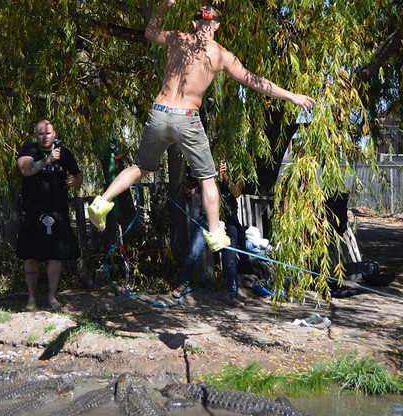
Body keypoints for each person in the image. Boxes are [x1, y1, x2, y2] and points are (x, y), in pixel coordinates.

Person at [87, 1, 315, 252]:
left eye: (206, 23)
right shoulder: (222, 55)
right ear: (212, 25)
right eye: (207, 23)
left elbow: (150, 33)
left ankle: (101, 202)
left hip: (159, 113)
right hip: (187, 117)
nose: (206, 26)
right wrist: (293, 96)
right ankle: (216, 235)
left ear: (201, 24)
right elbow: (256, 82)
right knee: (207, 179)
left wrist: (163, 7)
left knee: (141, 167)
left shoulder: (177, 38)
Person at [16, 119, 83, 310]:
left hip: (57, 212)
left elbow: (79, 177)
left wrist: (74, 179)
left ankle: (52, 298)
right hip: (32, 212)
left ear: (54, 134)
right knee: (31, 256)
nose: (44, 137)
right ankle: (31, 298)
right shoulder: (29, 150)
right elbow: (25, 170)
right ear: (36, 135)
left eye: (48, 133)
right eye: (40, 134)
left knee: (56, 256)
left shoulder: (65, 153)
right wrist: (48, 160)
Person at [171, 160, 247, 308]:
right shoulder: (207, 165)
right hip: (206, 218)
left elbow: (237, 192)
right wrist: (213, 176)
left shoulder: (238, 170)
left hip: (229, 220)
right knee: (193, 253)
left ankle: (233, 296)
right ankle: (182, 284)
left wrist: (225, 178)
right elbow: (202, 183)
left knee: (230, 260)